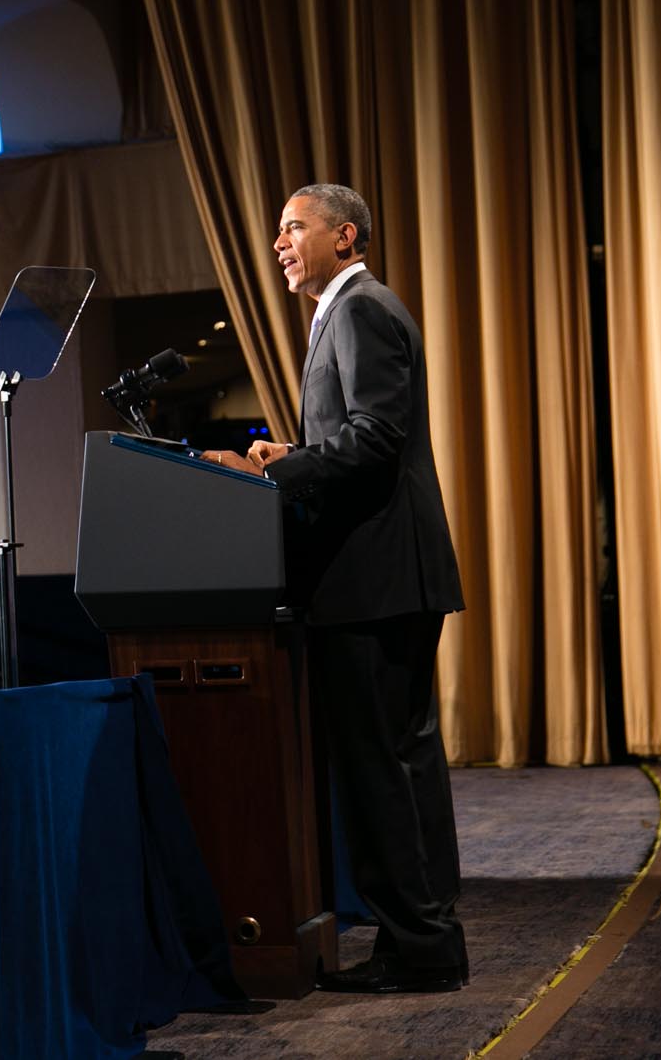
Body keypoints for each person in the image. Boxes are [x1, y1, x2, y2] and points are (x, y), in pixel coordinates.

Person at [202, 183, 467, 994]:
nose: (279, 243)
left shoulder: (357, 308)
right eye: (277, 231)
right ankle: (422, 941)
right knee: (401, 760)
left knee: (383, 765)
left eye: (293, 228)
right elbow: (358, 434)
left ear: (343, 236)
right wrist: (296, 449)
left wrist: (277, 467)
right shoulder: (354, 310)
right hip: (385, 575)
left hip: (375, 577)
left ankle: (415, 944)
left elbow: (377, 438)